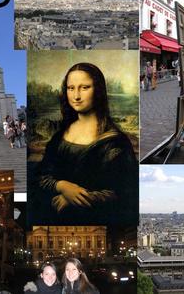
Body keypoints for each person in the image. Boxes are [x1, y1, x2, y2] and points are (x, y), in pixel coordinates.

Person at [29, 62, 138, 225]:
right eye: (71, 88)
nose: (76, 96)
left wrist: (76, 198)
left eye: (84, 87)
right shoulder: (60, 135)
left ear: (98, 91)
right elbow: (41, 176)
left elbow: (124, 192)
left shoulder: (115, 142)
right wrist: (62, 186)